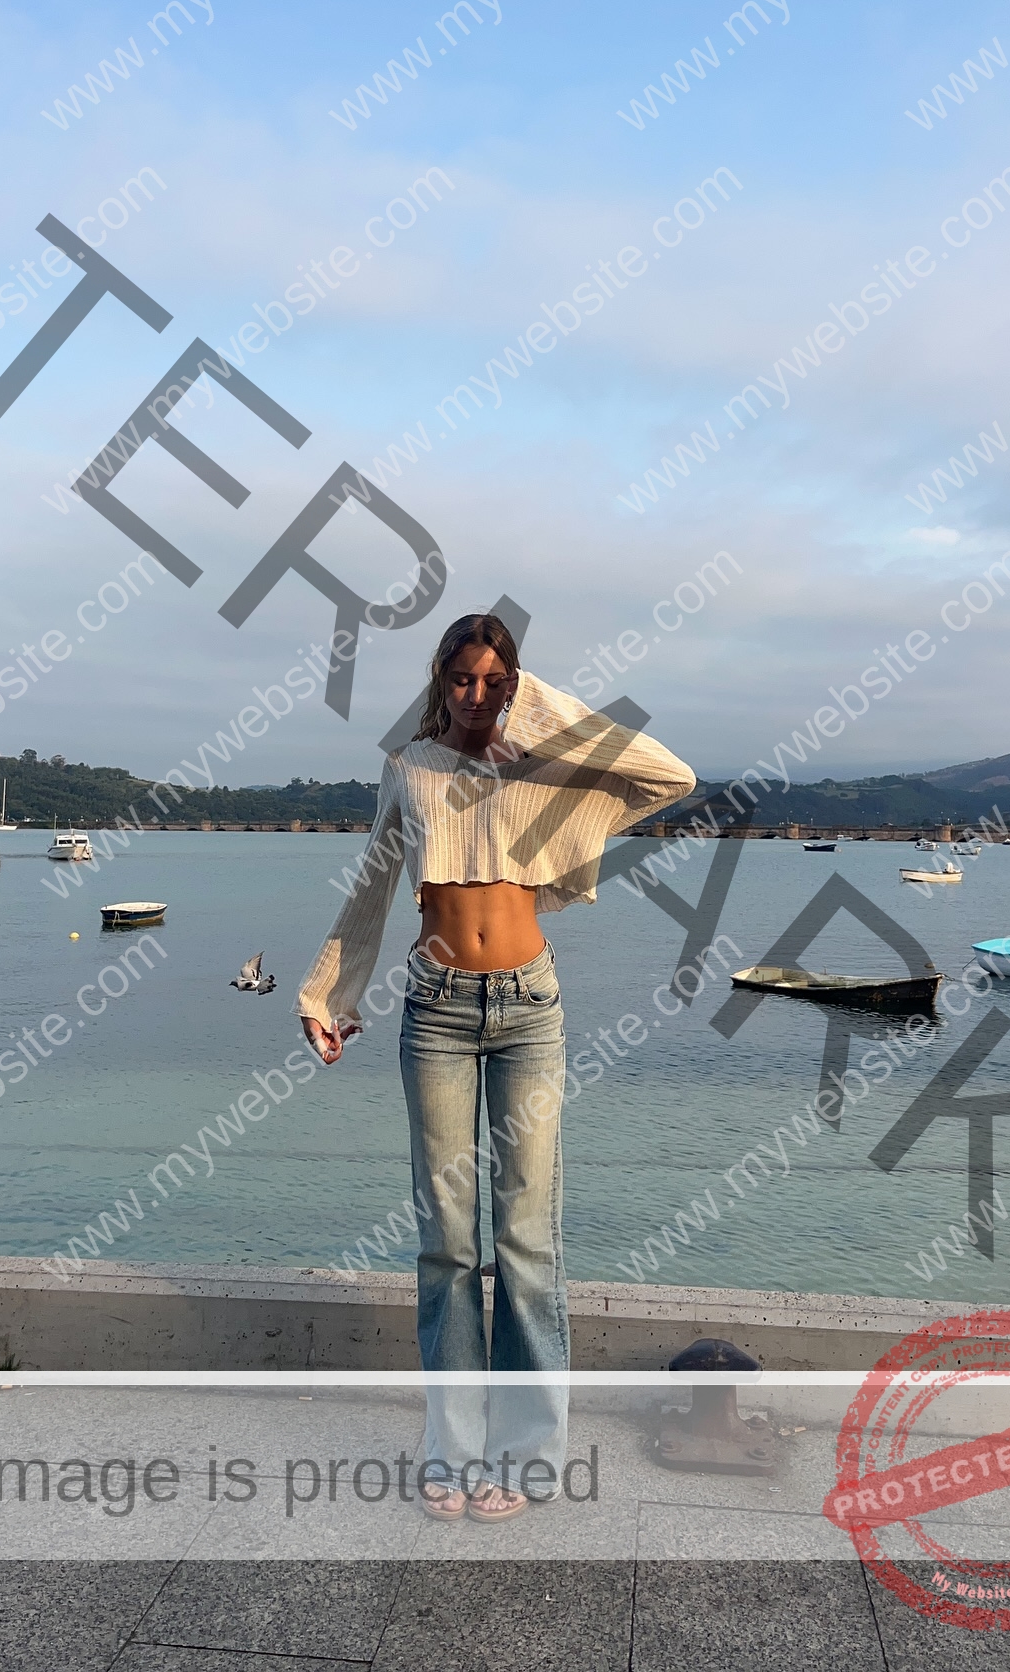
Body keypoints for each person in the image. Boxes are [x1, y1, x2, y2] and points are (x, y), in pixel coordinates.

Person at [298, 612, 695, 1522]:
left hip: (530, 1011)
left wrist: (540, 715)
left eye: (496, 681)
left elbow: (668, 778)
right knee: (447, 1243)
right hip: (436, 1009)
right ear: (438, 677)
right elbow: (374, 882)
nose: (477, 697)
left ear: (517, 684)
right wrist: (328, 995)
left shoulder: (543, 763)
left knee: (527, 1239)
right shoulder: (409, 767)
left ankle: (524, 1454)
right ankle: (452, 1451)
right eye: (462, 679)